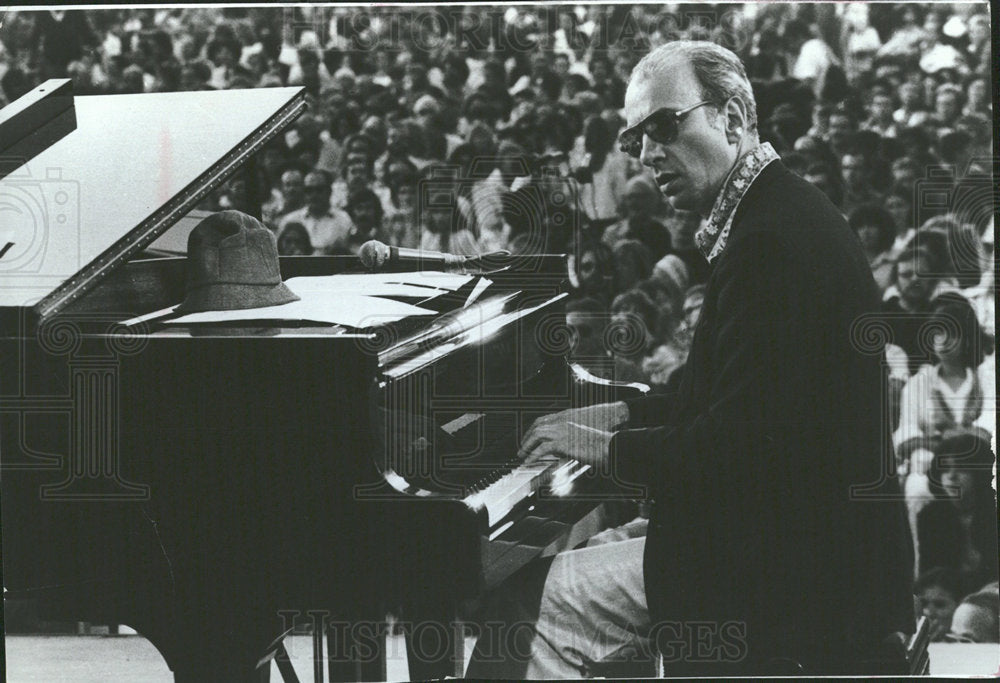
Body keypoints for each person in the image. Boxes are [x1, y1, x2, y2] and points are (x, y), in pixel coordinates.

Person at [467, 40, 914, 678]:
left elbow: (736, 447)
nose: (647, 154)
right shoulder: (780, 210)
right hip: (807, 537)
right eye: (635, 139)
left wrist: (602, 448)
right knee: (589, 557)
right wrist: (621, 412)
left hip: (799, 572)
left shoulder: (767, 244)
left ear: (732, 118)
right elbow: (735, 398)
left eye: (664, 127)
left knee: (532, 603)